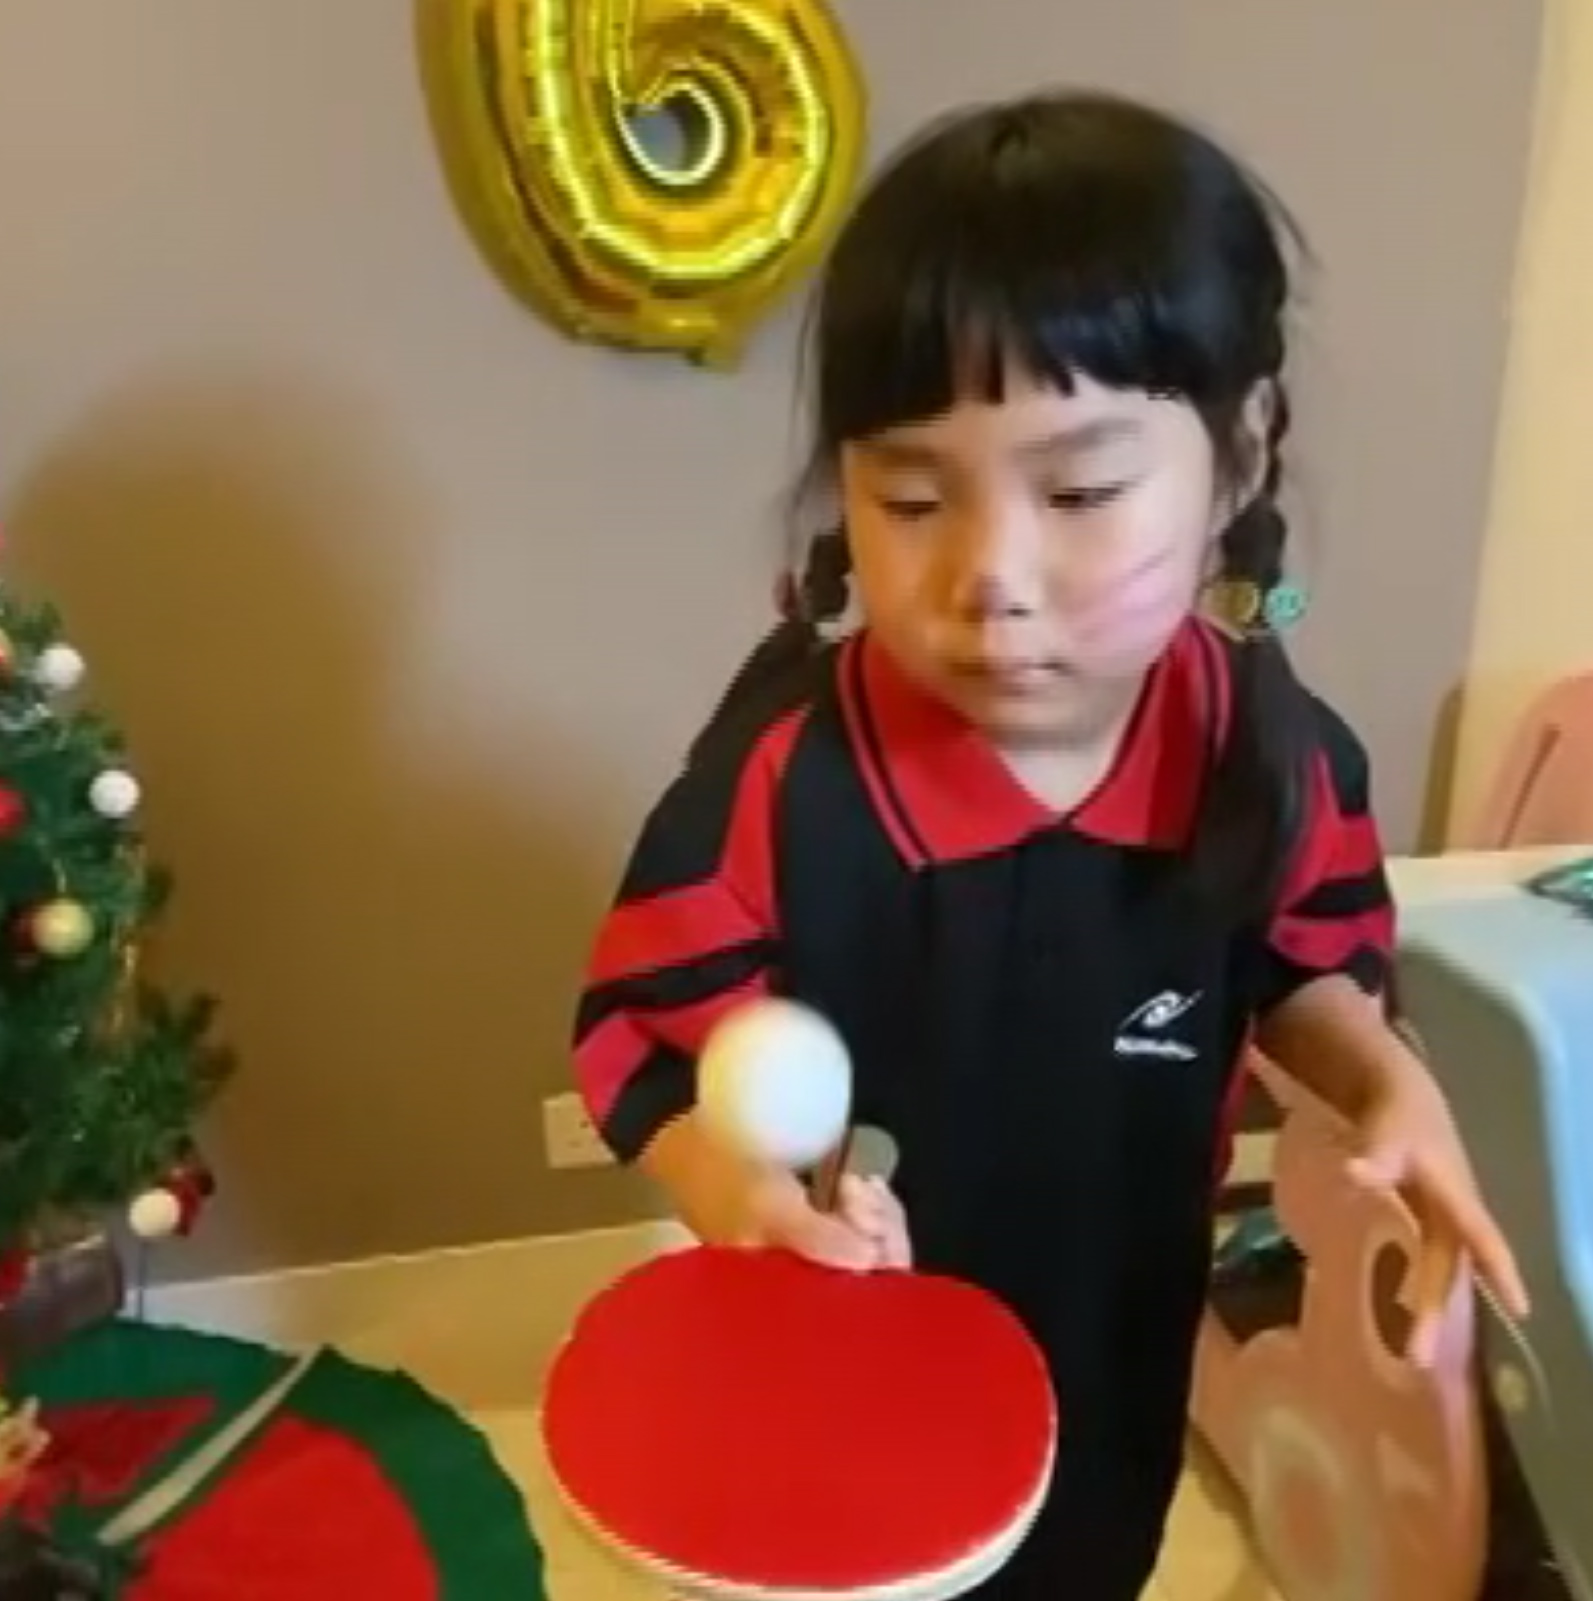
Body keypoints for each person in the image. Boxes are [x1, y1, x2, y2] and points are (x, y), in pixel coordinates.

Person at [573, 90, 1527, 1600]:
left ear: (1240, 455)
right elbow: (644, 1034)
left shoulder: (1271, 754)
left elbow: (1302, 967)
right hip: (846, 1353)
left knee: (1087, 1561)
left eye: (1079, 490)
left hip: (1113, 1339)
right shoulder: (780, 780)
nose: (990, 575)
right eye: (910, 496)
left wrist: (1381, 1079)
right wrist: (734, 1195)